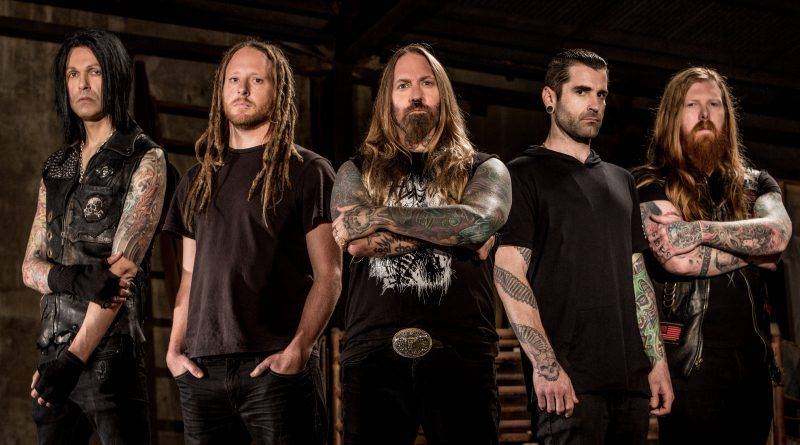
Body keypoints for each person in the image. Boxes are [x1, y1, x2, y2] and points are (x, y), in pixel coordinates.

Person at [162, 39, 340, 444]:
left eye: (257, 80)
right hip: (201, 373)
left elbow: (329, 275)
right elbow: (189, 277)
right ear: (220, 90)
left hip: (274, 368)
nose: (242, 89)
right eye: (234, 79)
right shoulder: (196, 181)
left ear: (279, 92)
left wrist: (300, 349)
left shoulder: (309, 171)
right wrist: (174, 351)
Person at [330, 44, 510, 445]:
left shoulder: (485, 168)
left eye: (427, 84)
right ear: (387, 100)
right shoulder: (354, 170)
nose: (416, 95)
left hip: (463, 351)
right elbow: (354, 243)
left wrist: (378, 216)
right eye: (403, 85)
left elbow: (478, 224)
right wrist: (455, 234)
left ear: (442, 95)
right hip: (372, 353)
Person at [496, 49, 673, 445]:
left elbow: (637, 277)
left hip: (631, 384)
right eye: (581, 91)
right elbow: (508, 271)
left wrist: (657, 361)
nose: (594, 103)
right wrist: (546, 367)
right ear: (549, 97)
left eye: (601, 94)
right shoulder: (521, 174)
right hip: (568, 387)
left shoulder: (622, 181)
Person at [22, 29, 167, 444]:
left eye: (95, 71)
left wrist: (73, 360)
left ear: (115, 77)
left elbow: (120, 273)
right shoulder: (58, 165)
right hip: (53, 352)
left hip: (109, 357)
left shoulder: (145, 158)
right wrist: (71, 279)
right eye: (73, 74)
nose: (82, 84)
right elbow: (28, 267)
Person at [634, 66, 792, 444]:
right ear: (673, 115)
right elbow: (678, 259)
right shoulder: (648, 182)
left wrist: (701, 231)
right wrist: (753, 249)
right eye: (692, 105)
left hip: (752, 365)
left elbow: (778, 236)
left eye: (714, 105)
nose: (705, 114)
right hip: (689, 365)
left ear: (727, 116)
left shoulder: (756, 183)